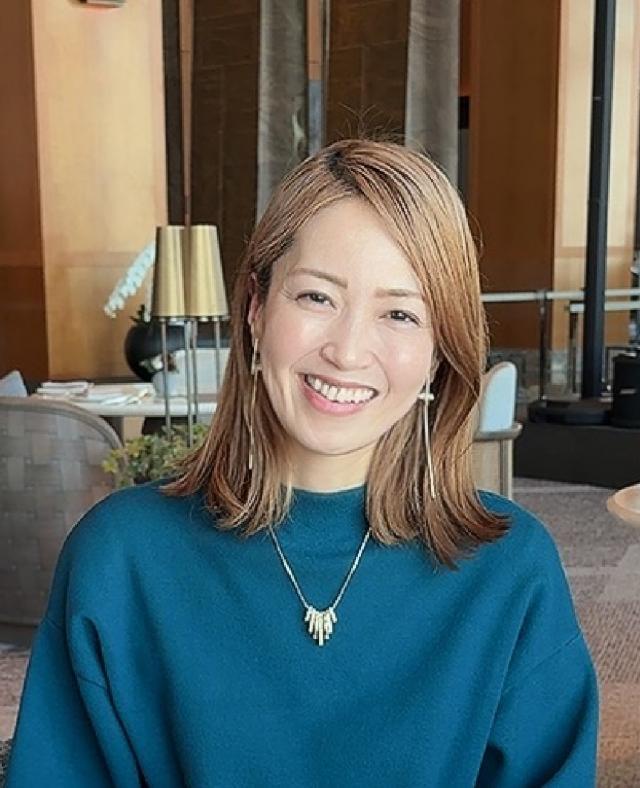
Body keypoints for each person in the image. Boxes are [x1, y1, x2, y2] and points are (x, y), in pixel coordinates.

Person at [5, 138, 599, 787]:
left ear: (438, 352)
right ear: (257, 309)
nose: (348, 350)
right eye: (317, 297)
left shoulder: (511, 572)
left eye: (400, 313)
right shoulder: (121, 558)